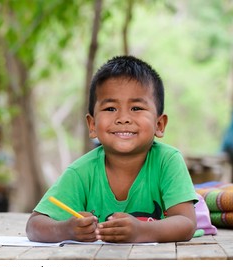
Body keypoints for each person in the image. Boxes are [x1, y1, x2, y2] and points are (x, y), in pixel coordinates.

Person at [26, 55, 198, 243]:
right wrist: (67, 229)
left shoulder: (168, 161)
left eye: (136, 108)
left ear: (159, 124)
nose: (123, 118)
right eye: (110, 109)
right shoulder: (81, 172)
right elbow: (34, 226)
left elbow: (186, 223)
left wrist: (141, 231)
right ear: (92, 125)